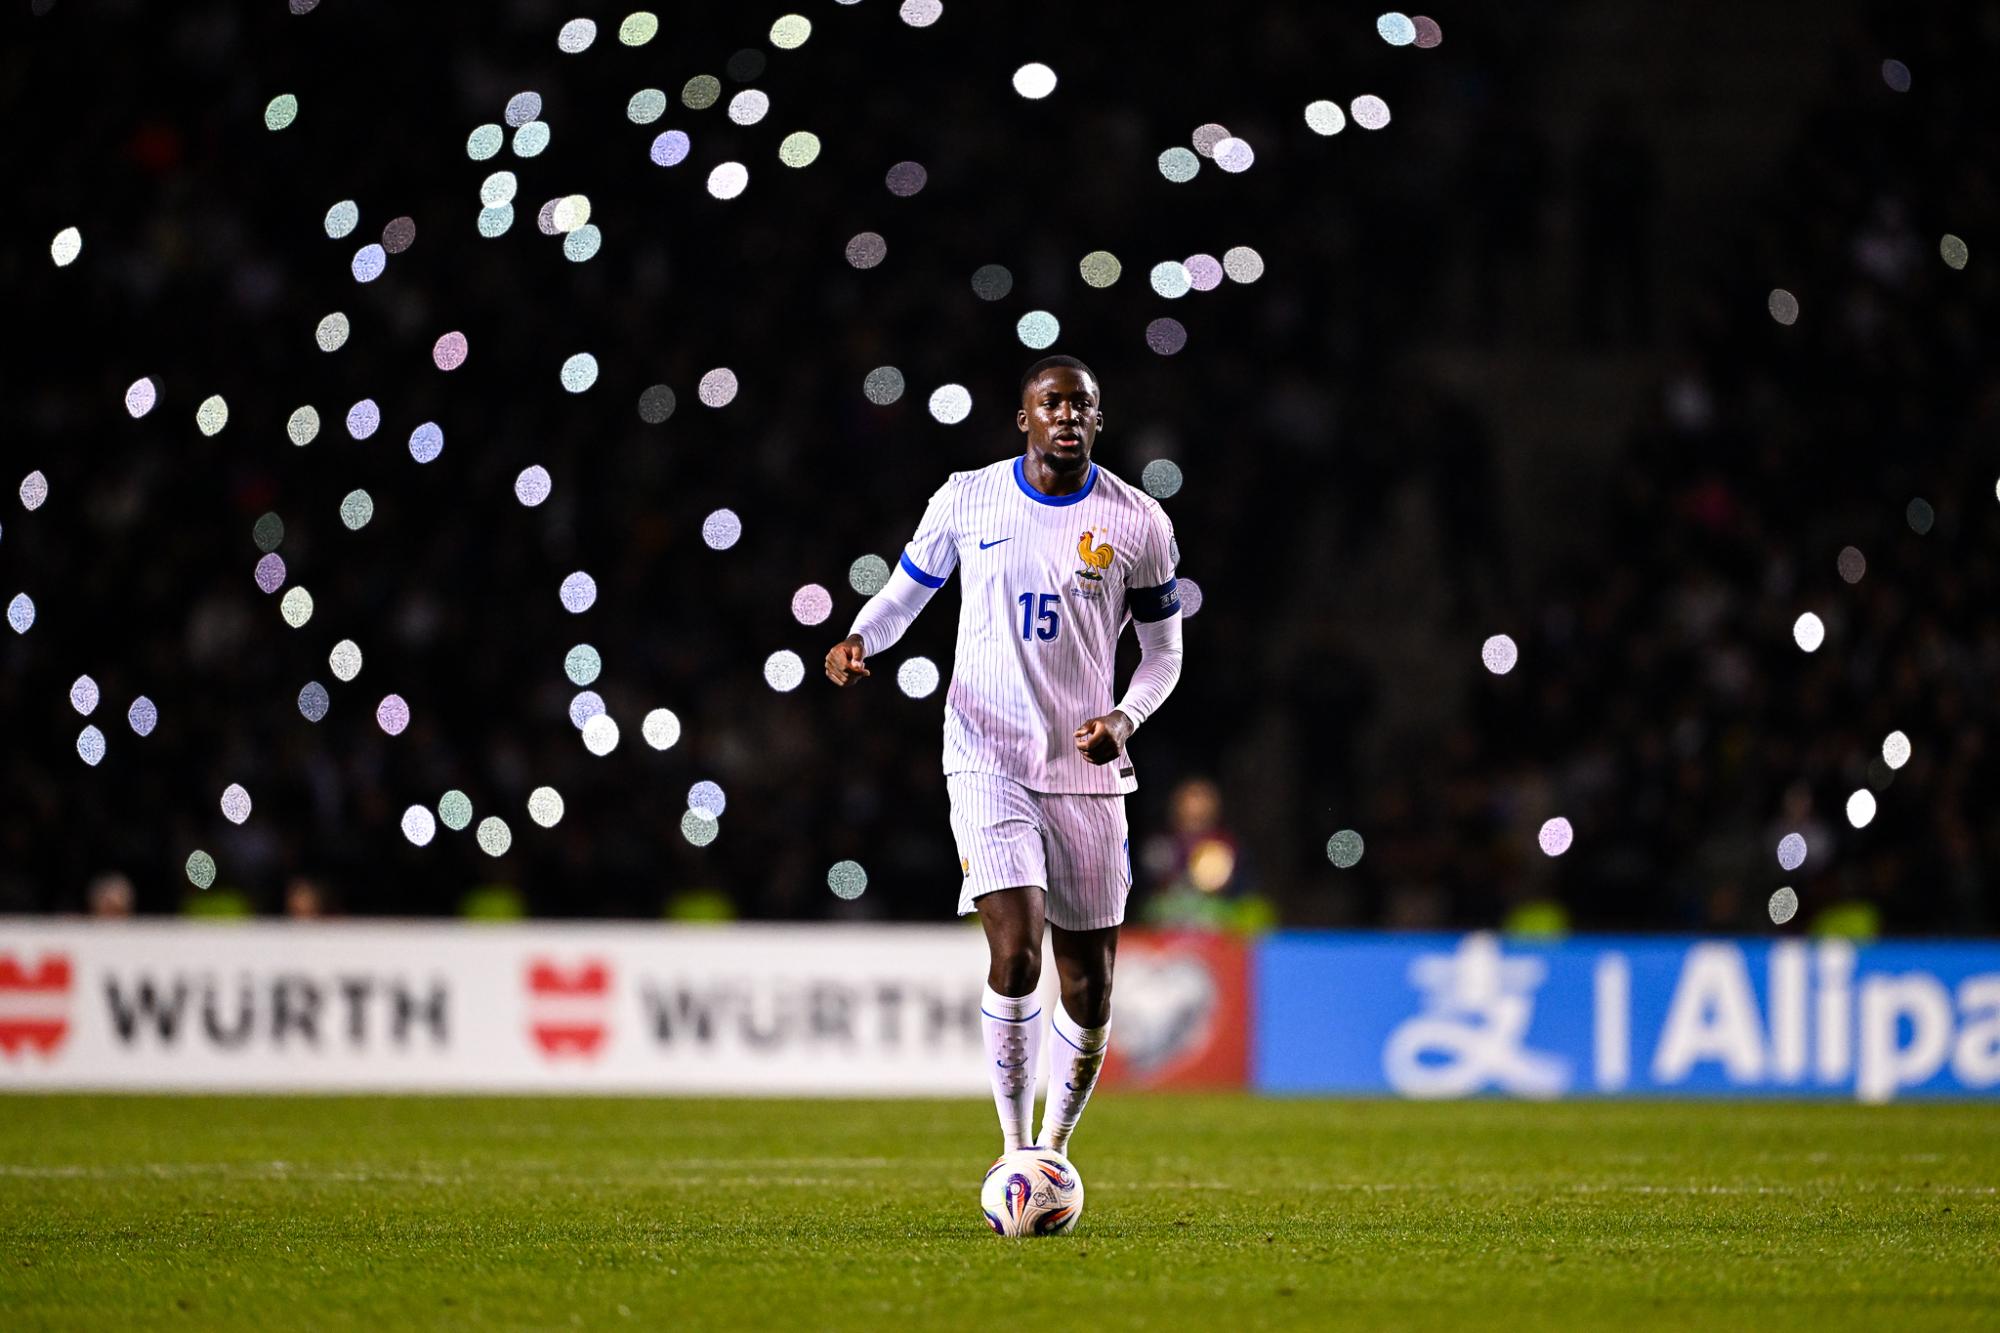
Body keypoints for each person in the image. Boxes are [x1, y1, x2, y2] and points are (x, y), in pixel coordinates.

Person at [825, 355, 1184, 1163]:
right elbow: (906, 592)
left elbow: (1165, 652)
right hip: (986, 755)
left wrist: (1124, 717)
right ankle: (1015, 1147)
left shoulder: (1139, 523)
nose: (1066, 416)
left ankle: (1056, 1143)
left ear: (1099, 419)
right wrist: (858, 636)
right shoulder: (968, 496)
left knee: (1089, 988)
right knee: (1015, 951)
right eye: (1050, 403)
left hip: (1087, 773)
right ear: (1023, 417)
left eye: (1081, 405)